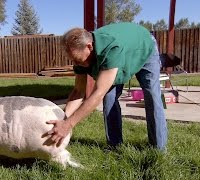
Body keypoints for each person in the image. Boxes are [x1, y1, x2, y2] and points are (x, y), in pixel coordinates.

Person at [46, 22, 167, 150]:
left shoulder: (110, 48)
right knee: (109, 99)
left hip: (143, 46)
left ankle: (158, 149)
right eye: (73, 60)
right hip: (122, 51)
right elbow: (78, 91)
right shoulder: (80, 57)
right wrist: (63, 119)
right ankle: (115, 146)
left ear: (89, 46)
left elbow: (98, 93)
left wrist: (68, 125)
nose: (76, 63)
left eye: (78, 59)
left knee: (152, 96)